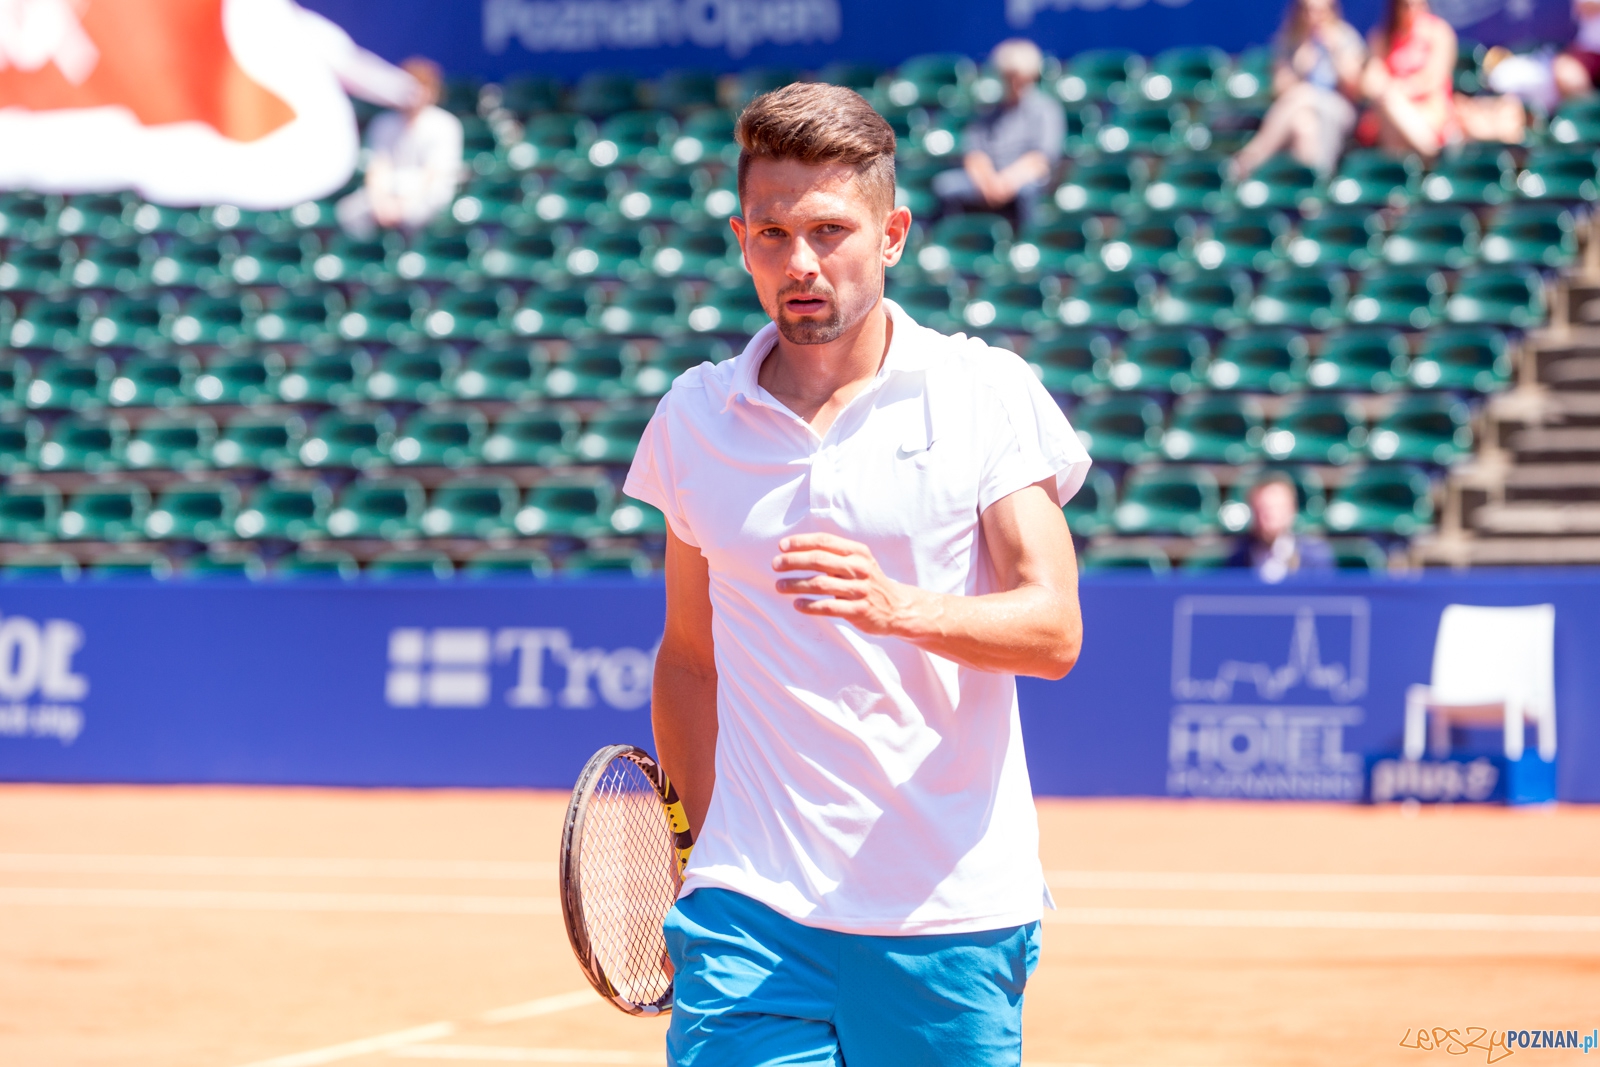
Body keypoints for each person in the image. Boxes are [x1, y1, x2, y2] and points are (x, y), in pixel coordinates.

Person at [625, 82, 1089, 1066]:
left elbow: (1052, 630)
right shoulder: (693, 418)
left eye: (830, 230)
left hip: (947, 914)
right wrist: (692, 843)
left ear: (893, 233)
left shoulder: (984, 391)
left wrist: (895, 606)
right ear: (741, 238)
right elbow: (688, 660)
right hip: (750, 908)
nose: (800, 263)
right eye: (772, 234)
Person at [933, 38, 1064, 228]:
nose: (1014, 82)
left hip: (1024, 182)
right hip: (988, 182)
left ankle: (1026, 246)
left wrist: (1006, 183)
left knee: (1027, 191)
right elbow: (974, 155)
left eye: (1019, 76)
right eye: (1009, 76)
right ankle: (957, 241)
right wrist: (989, 183)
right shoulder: (988, 111)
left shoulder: (1046, 110)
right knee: (946, 185)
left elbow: (1040, 160)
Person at [1232, 0, 1366, 178]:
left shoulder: (1345, 37)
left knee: (1304, 94)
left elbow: (1355, 87)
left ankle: (1251, 157)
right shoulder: (1291, 40)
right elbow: (1280, 89)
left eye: (1320, 11)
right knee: (1303, 125)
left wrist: (1335, 53)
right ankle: (1311, 184)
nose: (1313, 17)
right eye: (1307, 11)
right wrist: (1301, 66)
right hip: (1299, 109)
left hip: (1339, 108)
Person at [336, 57, 463, 238]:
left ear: (432, 92)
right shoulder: (383, 123)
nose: (414, 94)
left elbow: (434, 174)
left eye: (421, 87)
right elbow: (378, 168)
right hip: (388, 192)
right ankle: (369, 258)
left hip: (428, 195)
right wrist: (381, 202)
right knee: (349, 212)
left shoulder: (445, 125)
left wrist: (402, 205)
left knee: (416, 215)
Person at [1359, 0, 1461, 157]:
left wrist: (1399, 90)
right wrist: (1391, 91)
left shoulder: (1439, 32)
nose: (1412, 9)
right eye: (1406, 5)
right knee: (1388, 104)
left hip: (1431, 112)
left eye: (1418, 4)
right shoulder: (1382, 36)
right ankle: (1430, 154)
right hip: (1390, 114)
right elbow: (1370, 80)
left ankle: (1428, 155)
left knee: (1390, 100)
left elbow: (1434, 79)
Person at [1225, 471, 1335, 582]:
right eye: (1261, 509)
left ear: (1292, 508)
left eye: (1275, 508)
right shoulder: (1238, 556)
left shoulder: (1315, 555)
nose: (1268, 517)